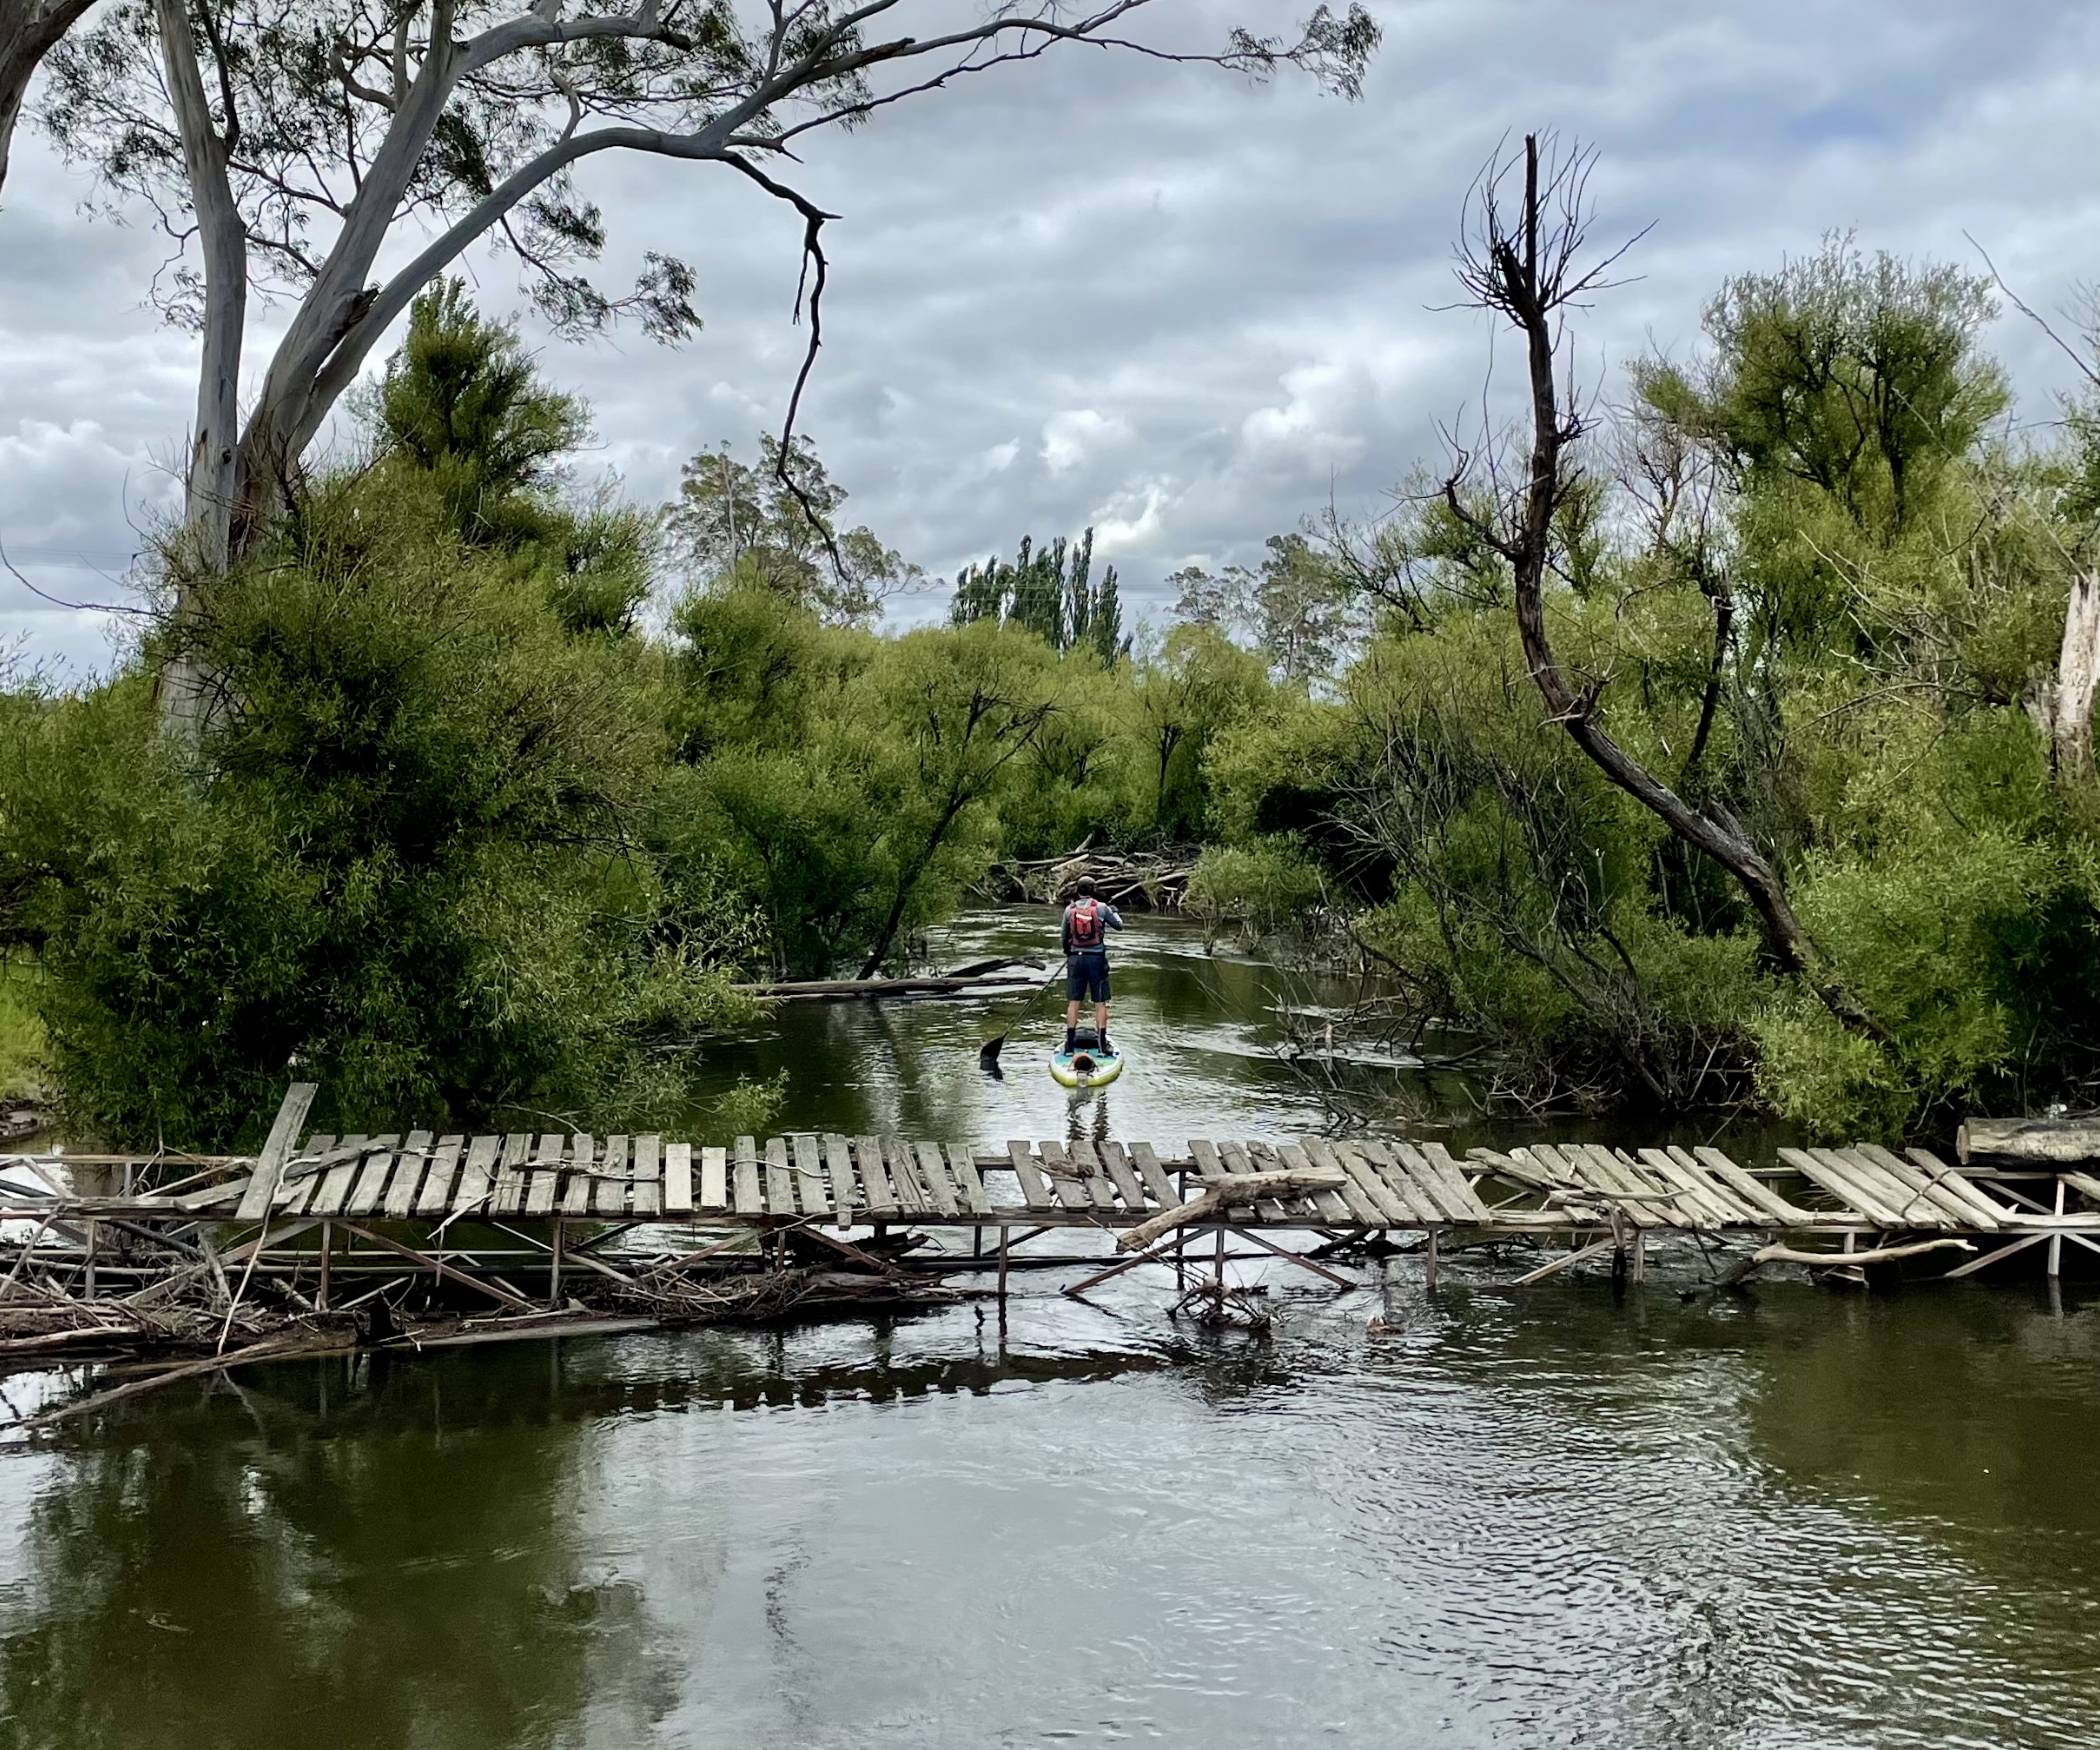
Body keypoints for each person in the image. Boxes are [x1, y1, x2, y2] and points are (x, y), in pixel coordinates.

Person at [1061, 875, 1124, 1054]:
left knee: (1074, 1002)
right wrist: (1115, 911)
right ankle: (1102, 1045)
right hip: (1096, 960)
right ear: (1093, 890)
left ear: (1077, 890)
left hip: (1076, 959)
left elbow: (1063, 937)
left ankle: (1069, 1045)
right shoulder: (1102, 908)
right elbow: (1119, 926)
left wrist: (1070, 953)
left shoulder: (1069, 910)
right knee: (1100, 1002)